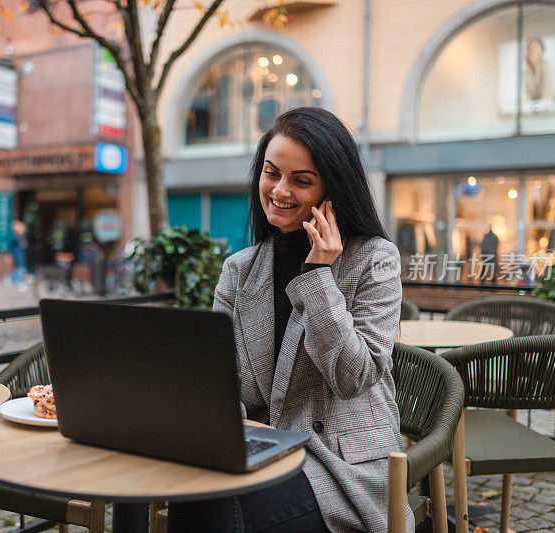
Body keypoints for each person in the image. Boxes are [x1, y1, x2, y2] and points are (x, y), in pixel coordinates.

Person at [168, 108, 411, 533]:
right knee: (193, 489)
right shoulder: (239, 270)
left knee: (225, 510)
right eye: (271, 172)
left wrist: (318, 276)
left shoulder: (376, 259)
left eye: (300, 180)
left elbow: (354, 375)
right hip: (261, 446)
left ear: (331, 190)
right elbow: (222, 382)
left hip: (341, 463)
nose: (279, 190)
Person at [8, 220, 29, 290]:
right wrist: (9, 255)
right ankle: (20, 283)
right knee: (20, 270)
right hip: (17, 256)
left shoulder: (22, 236)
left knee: (20, 269)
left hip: (22, 256)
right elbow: (11, 247)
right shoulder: (14, 237)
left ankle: (9, 277)